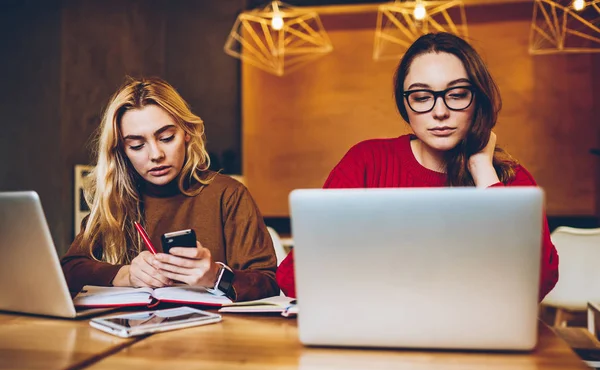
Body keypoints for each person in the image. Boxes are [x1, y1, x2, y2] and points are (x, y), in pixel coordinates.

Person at [276, 32, 559, 301]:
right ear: (405, 105)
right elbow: (293, 276)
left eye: (458, 94)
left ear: (478, 99)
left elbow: (537, 282)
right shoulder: (366, 162)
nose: (439, 111)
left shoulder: (510, 180)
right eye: (422, 97)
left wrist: (482, 168)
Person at [61, 77, 279, 301]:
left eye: (166, 138)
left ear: (186, 132)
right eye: (137, 145)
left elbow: (269, 284)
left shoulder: (228, 195)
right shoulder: (115, 200)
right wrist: (124, 275)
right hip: (135, 330)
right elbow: (69, 270)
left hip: (215, 332)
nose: (156, 155)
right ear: (122, 151)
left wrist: (215, 276)